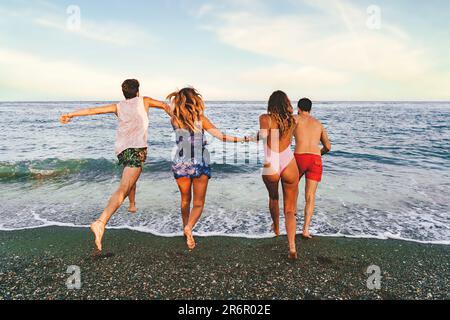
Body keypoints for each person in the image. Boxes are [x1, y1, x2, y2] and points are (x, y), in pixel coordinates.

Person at [59, 79, 171, 252]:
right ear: (138, 91)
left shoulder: (118, 106)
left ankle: (132, 204)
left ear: (124, 92)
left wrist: (71, 115)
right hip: (137, 149)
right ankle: (100, 222)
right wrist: (176, 116)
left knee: (131, 174)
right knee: (124, 187)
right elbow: (164, 105)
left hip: (122, 150)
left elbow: (93, 111)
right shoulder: (145, 100)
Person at [167, 87, 249, 250]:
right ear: (195, 100)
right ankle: (189, 227)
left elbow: (169, 110)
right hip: (199, 161)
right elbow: (221, 136)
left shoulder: (174, 120)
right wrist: (242, 139)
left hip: (180, 161)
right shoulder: (201, 119)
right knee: (198, 203)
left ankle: (185, 229)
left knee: (185, 200)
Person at [258, 91, 300, 260]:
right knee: (290, 209)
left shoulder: (265, 118)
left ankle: (276, 229)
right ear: (287, 103)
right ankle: (292, 246)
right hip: (289, 161)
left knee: (274, 198)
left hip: (271, 161)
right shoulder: (293, 120)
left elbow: (263, 136)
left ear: (271, 103)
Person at [293, 98, 331, 239]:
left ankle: (292, 221)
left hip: (299, 157)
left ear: (298, 108)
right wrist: (317, 154)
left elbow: (283, 136)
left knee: (293, 188)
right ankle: (306, 230)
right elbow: (328, 147)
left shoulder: (295, 119)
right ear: (310, 109)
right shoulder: (318, 124)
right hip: (315, 159)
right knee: (310, 196)